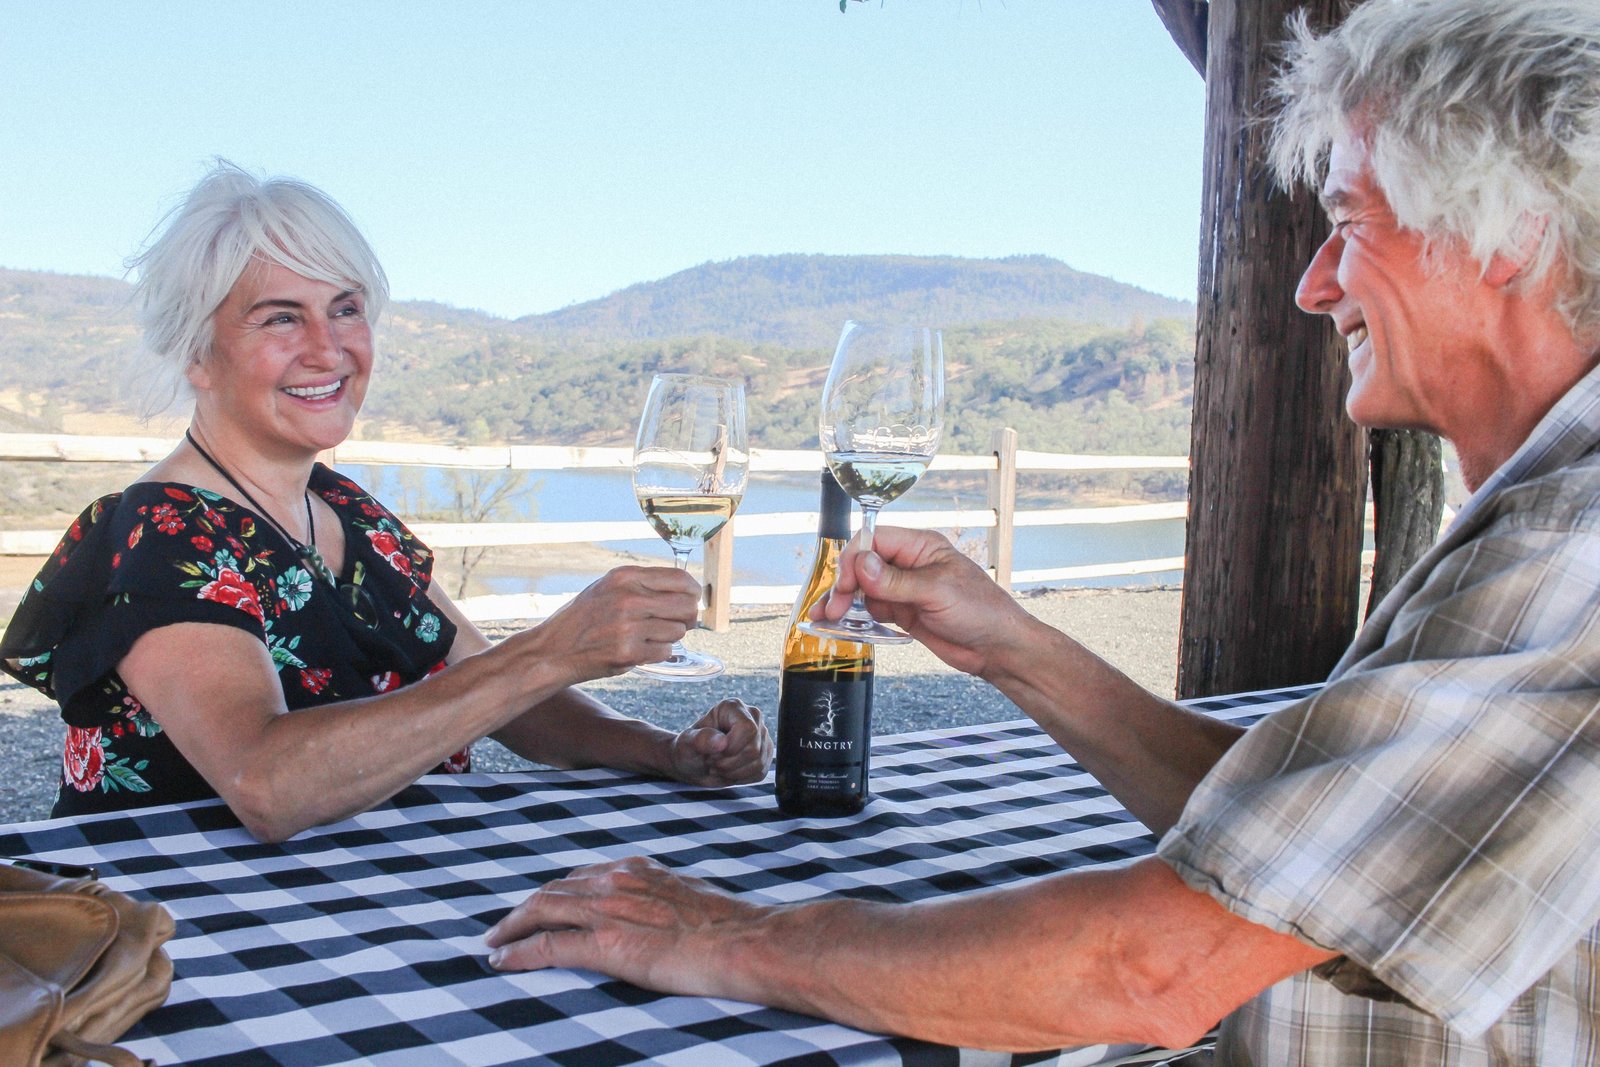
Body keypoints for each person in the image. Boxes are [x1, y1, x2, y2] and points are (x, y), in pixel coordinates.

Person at [483, 1, 1600, 1062]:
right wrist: (1012, 646)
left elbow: (1151, 962)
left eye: (1349, 222)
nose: (1312, 287)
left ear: (1507, 234)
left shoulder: (1571, 542)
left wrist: (724, 934)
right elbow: (1305, 844)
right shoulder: (1550, 514)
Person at [0, 162, 772, 843]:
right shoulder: (160, 530)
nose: (328, 347)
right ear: (197, 353)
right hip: (198, 939)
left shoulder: (346, 511)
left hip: (369, 905)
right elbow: (267, 784)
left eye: (345, 307)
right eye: (280, 317)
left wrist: (663, 749)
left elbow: (502, 693)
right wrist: (555, 645)